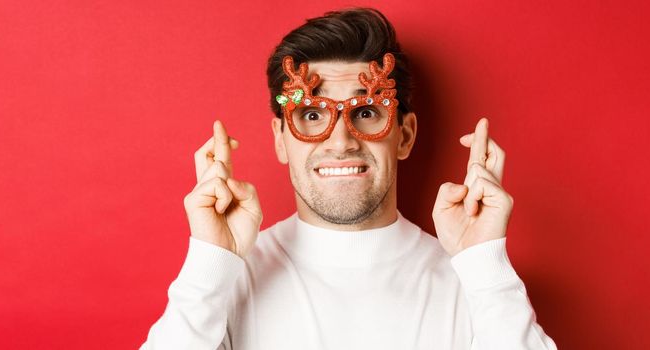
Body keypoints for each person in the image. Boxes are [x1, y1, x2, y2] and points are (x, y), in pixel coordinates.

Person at [141, 7, 556, 350]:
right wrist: (209, 261)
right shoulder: (230, 277)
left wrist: (485, 262)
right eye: (312, 115)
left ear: (404, 136)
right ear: (281, 140)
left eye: (366, 113)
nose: (340, 142)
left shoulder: (471, 280)